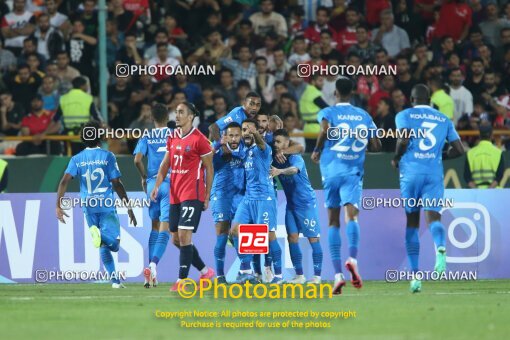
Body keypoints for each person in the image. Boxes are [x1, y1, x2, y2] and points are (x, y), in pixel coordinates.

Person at [311, 77, 381, 295]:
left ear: (335, 93)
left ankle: (338, 275)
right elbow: (377, 145)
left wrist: (316, 150)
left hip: (330, 171)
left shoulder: (328, 112)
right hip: (352, 171)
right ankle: (352, 258)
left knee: (332, 222)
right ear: (353, 92)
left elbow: (324, 129)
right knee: (352, 216)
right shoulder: (364, 115)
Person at [393, 84, 465, 293]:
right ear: (430, 100)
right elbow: (459, 149)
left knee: (413, 223)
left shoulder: (403, 115)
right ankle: (441, 247)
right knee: (434, 218)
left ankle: (416, 277)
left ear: (411, 98)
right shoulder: (444, 119)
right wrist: (440, 156)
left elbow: (404, 139)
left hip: (411, 173)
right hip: (433, 174)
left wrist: (396, 157)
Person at [56, 121, 137, 288]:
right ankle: (99, 236)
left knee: (102, 244)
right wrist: (128, 206)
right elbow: (116, 183)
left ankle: (115, 281)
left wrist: (58, 205)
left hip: (88, 205)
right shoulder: (108, 156)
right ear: (100, 137)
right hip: (105, 204)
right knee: (113, 244)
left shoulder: (76, 159)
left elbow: (64, 182)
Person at [151, 102, 215, 292]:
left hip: (192, 192)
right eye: (176, 112)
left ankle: (181, 281)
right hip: (175, 193)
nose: (176, 115)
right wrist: (156, 185)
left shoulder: (200, 139)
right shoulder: (172, 137)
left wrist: (207, 195)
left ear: (190, 117)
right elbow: (165, 163)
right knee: (175, 239)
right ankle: (205, 271)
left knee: (184, 235)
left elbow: (209, 169)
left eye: (181, 112)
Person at [231, 118, 282, 284]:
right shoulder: (244, 151)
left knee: (268, 236)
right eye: (243, 130)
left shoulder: (264, 149)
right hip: (248, 198)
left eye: (248, 129)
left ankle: (279, 276)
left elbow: (261, 144)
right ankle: (246, 270)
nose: (246, 132)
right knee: (235, 231)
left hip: (264, 198)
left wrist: (256, 133)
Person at [270, 129, 323, 284]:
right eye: (274, 142)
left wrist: (279, 171)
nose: (275, 144)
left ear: (287, 143)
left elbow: (294, 170)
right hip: (291, 206)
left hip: (306, 204)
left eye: (279, 141)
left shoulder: (295, 158)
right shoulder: (274, 159)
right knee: (292, 238)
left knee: (313, 238)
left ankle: (317, 276)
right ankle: (299, 275)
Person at [133, 103, 171, 288]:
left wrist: (144, 177)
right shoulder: (174, 135)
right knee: (166, 227)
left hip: (152, 185)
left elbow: (137, 160)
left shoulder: (147, 135)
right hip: (171, 184)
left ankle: (150, 274)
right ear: (168, 118)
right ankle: (152, 266)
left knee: (154, 225)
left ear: (151, 119)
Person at [210, 122, 245, 284]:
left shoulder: (246, 150)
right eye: (230, 135)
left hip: (239, 197)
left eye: (237, 135)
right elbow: (206, 157)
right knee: (222, 235)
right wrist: (218, 144)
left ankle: (246, 272)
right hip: (221, 196)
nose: (234, 138)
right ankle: (220, 275)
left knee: (240, 235)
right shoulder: (217, 149)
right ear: (225, 136)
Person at [464, 121, 504, 189]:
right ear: (492, 135)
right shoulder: (498, 153)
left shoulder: (470, 153)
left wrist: (478, 191)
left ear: (479, 135)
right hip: (495, 193)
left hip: (476, 193)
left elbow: (467, 177)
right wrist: (488, 190)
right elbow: (499, 176)